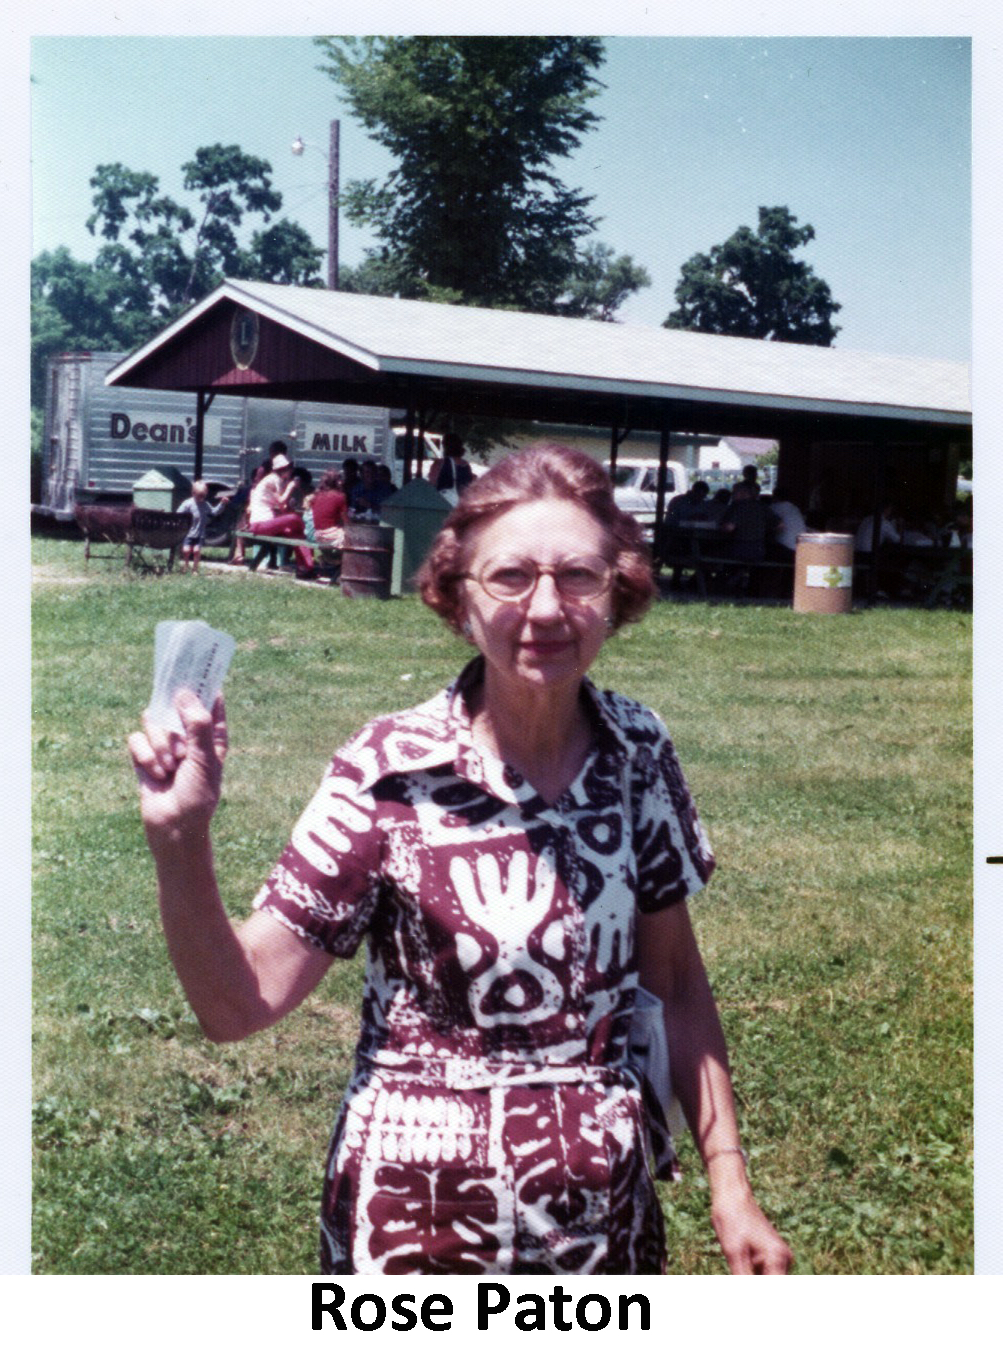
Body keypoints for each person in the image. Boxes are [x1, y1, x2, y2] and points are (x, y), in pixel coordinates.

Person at [127, 442, 791, 1277]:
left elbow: (678, 981)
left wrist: (728, 1182)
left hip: (603, 1235)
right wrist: (180, 839)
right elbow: (238, 1003)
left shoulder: (638, 752)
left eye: (578, 577)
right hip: (416, 1236)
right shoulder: (386, 770)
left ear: (615, 593)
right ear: (457, 596)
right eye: (511, 576)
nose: (546, 607)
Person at [247, 449, 317, 580]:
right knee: (295, 519)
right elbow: (281, 502)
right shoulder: (274, 479)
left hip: (266, 523)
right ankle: (305, 566)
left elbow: (282, 506)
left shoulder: (276, 480)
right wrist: (291, 487)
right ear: (282, 469)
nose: (291, 471)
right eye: (289, 468)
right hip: (260, 524)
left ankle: (306, 568)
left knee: (297, 535)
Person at [176, 479, 227, 575]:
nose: (201, 498)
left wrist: (222, 504)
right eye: (199, 495)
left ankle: (195, 569)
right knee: (186, 550)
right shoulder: (188, 503)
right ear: (193, 493)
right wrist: (181, 520)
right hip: (189, 532)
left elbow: (214, 512)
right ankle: (186, 565)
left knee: (196, 551)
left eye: (203, 495)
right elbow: (179, 512)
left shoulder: (205, 504)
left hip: (200, 533)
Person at [429, 432, 475, 500]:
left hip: (443, 502)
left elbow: (432, 483)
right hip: (460, 503)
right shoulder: (466, 465)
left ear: (445, 446)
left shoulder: (440, 463)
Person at [310, 469, 349, 549]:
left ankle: (329, 557)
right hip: (330, 535)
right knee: (351, 536)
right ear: (336, 482)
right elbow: (345, 519)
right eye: (339, 479)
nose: (342, 482)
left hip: (317, 534)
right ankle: (336, 559)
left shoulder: (317, 495)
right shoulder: (340, 496)